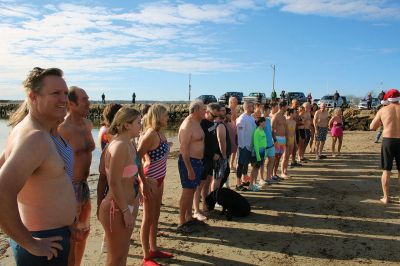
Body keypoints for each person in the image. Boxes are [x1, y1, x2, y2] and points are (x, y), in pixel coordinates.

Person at [0, 67, 76, 265]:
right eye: (55, 93)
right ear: (33, 97)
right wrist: (31, 244)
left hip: (49, 237)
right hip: (43, 242)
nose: (64, 99)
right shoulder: (35, 138)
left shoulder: (30, 131)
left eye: (65, 93)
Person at [98, 107, 143, 265]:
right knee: (115, 258)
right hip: (116, 209)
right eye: (138, 122)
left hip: (127, 205)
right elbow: (114, 181)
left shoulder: (128, 144)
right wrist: (125, 211)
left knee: (122, 255)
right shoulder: (119, 146)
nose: (141, 126)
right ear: (127, 125)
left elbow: (106, 170)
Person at [58, 86, 95, 265]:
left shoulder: (88, 125)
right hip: (69, 188)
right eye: (84, 100)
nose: (89, 103)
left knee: (83, 232)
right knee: (71, 238)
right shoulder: (61, 129)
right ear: (71, 104)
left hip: (84, 186)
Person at [138, 104, 174, 265]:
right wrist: (143, 181)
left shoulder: (160, 133)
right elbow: (135, 158)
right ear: (159, 116)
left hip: (160, 177)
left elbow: (150, 154)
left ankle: (154, 248)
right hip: (150, 179)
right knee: (147, 217)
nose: (168, 117)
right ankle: (146, 256)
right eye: (166, 115)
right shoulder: (150, 134)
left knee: (156, 215)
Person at [177, 101, 206, 233]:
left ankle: (189, 217)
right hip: (189, 162)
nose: (205, 111)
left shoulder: (196, 122)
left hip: (197, 161)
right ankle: (182, 221)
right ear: (195, 110)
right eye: (203, 109)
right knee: (187, 192)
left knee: (192, 190)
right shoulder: (188, 124)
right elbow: (184, 148)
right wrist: (189, 168)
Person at [370, 89, 400, 204]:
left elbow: (372, 127)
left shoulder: (383, 110)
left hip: (388, 140)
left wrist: (382, 122)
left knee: (386, 170)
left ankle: (386, 197)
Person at [193, 103, 220, 221]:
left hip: (211, 159)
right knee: (200, 185)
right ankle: (196, 210)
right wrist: (211, 154)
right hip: (203, 158)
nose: (217, 115)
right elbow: (201, 144)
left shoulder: (212, 123)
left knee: (208, 182)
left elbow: (213, 140)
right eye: (215, 113)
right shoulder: (202, 123)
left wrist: (217, 153)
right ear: (208, 112)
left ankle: (205, 204)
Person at [236, 101, 257, 191]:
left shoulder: (251, 118)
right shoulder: (242, 118)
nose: (254, 108)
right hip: (244, 146)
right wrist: (242, 146)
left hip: (250, 146)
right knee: (241, 164)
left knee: (246, 164)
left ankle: (244, 180)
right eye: (252, 106)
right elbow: (240, 134)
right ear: (247, 107)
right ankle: (238, 183)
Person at [212, 105, 231, 191]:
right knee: (218, 178)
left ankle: (215, 196)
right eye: (222, 111)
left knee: (219, 177)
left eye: (224, 111)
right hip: (220, 156)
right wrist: (223, 155)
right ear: (218, 112)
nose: (224, 112)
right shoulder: (219, 125)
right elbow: (221, 141)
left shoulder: (216, 124)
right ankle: (214, 199)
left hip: (219, 155)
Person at [271, 101, 288, 180]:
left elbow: (285, 128)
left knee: (278, 157)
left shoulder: (284, 117)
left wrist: (286, 139)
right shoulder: (276, 116)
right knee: (274, 157)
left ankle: (274, 173)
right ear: (282, 107)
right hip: (277, 138)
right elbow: (272, 129)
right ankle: (271, 174)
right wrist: (275, 140)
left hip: (283, 139)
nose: (287, 108)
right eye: (286, 106)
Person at [252, 117, 267, 190]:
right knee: (255, 168)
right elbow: (256, 144)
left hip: (262, 151)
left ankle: (255, 183)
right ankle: (251, 184)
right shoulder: (257, 131)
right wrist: (258, 155)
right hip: (258, 152)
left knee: (257, 168)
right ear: (260, 123)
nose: (265, 123)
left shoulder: (262, 130)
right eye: (264, 122)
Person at [281, 108, 296, 178]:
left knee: (288, 157)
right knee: (285, 157)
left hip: (292, 140)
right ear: (291, 113)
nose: (296, 114)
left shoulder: (294, 122)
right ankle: (282, 172)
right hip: (286, 140)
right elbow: (283, 131)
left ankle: (285, 171)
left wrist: (295, 142)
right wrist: (285, 140)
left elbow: (294, 133)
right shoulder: (286, 121)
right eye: (295, 112)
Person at [228, 96, 239, 172]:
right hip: (229, 132)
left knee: (235, 149)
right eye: (235, 102)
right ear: (231, 102)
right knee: (229, 149)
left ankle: (231, 164)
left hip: (235, 131)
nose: (237, 103)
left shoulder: (235, 110)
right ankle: (228, 165)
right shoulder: (228, 110)